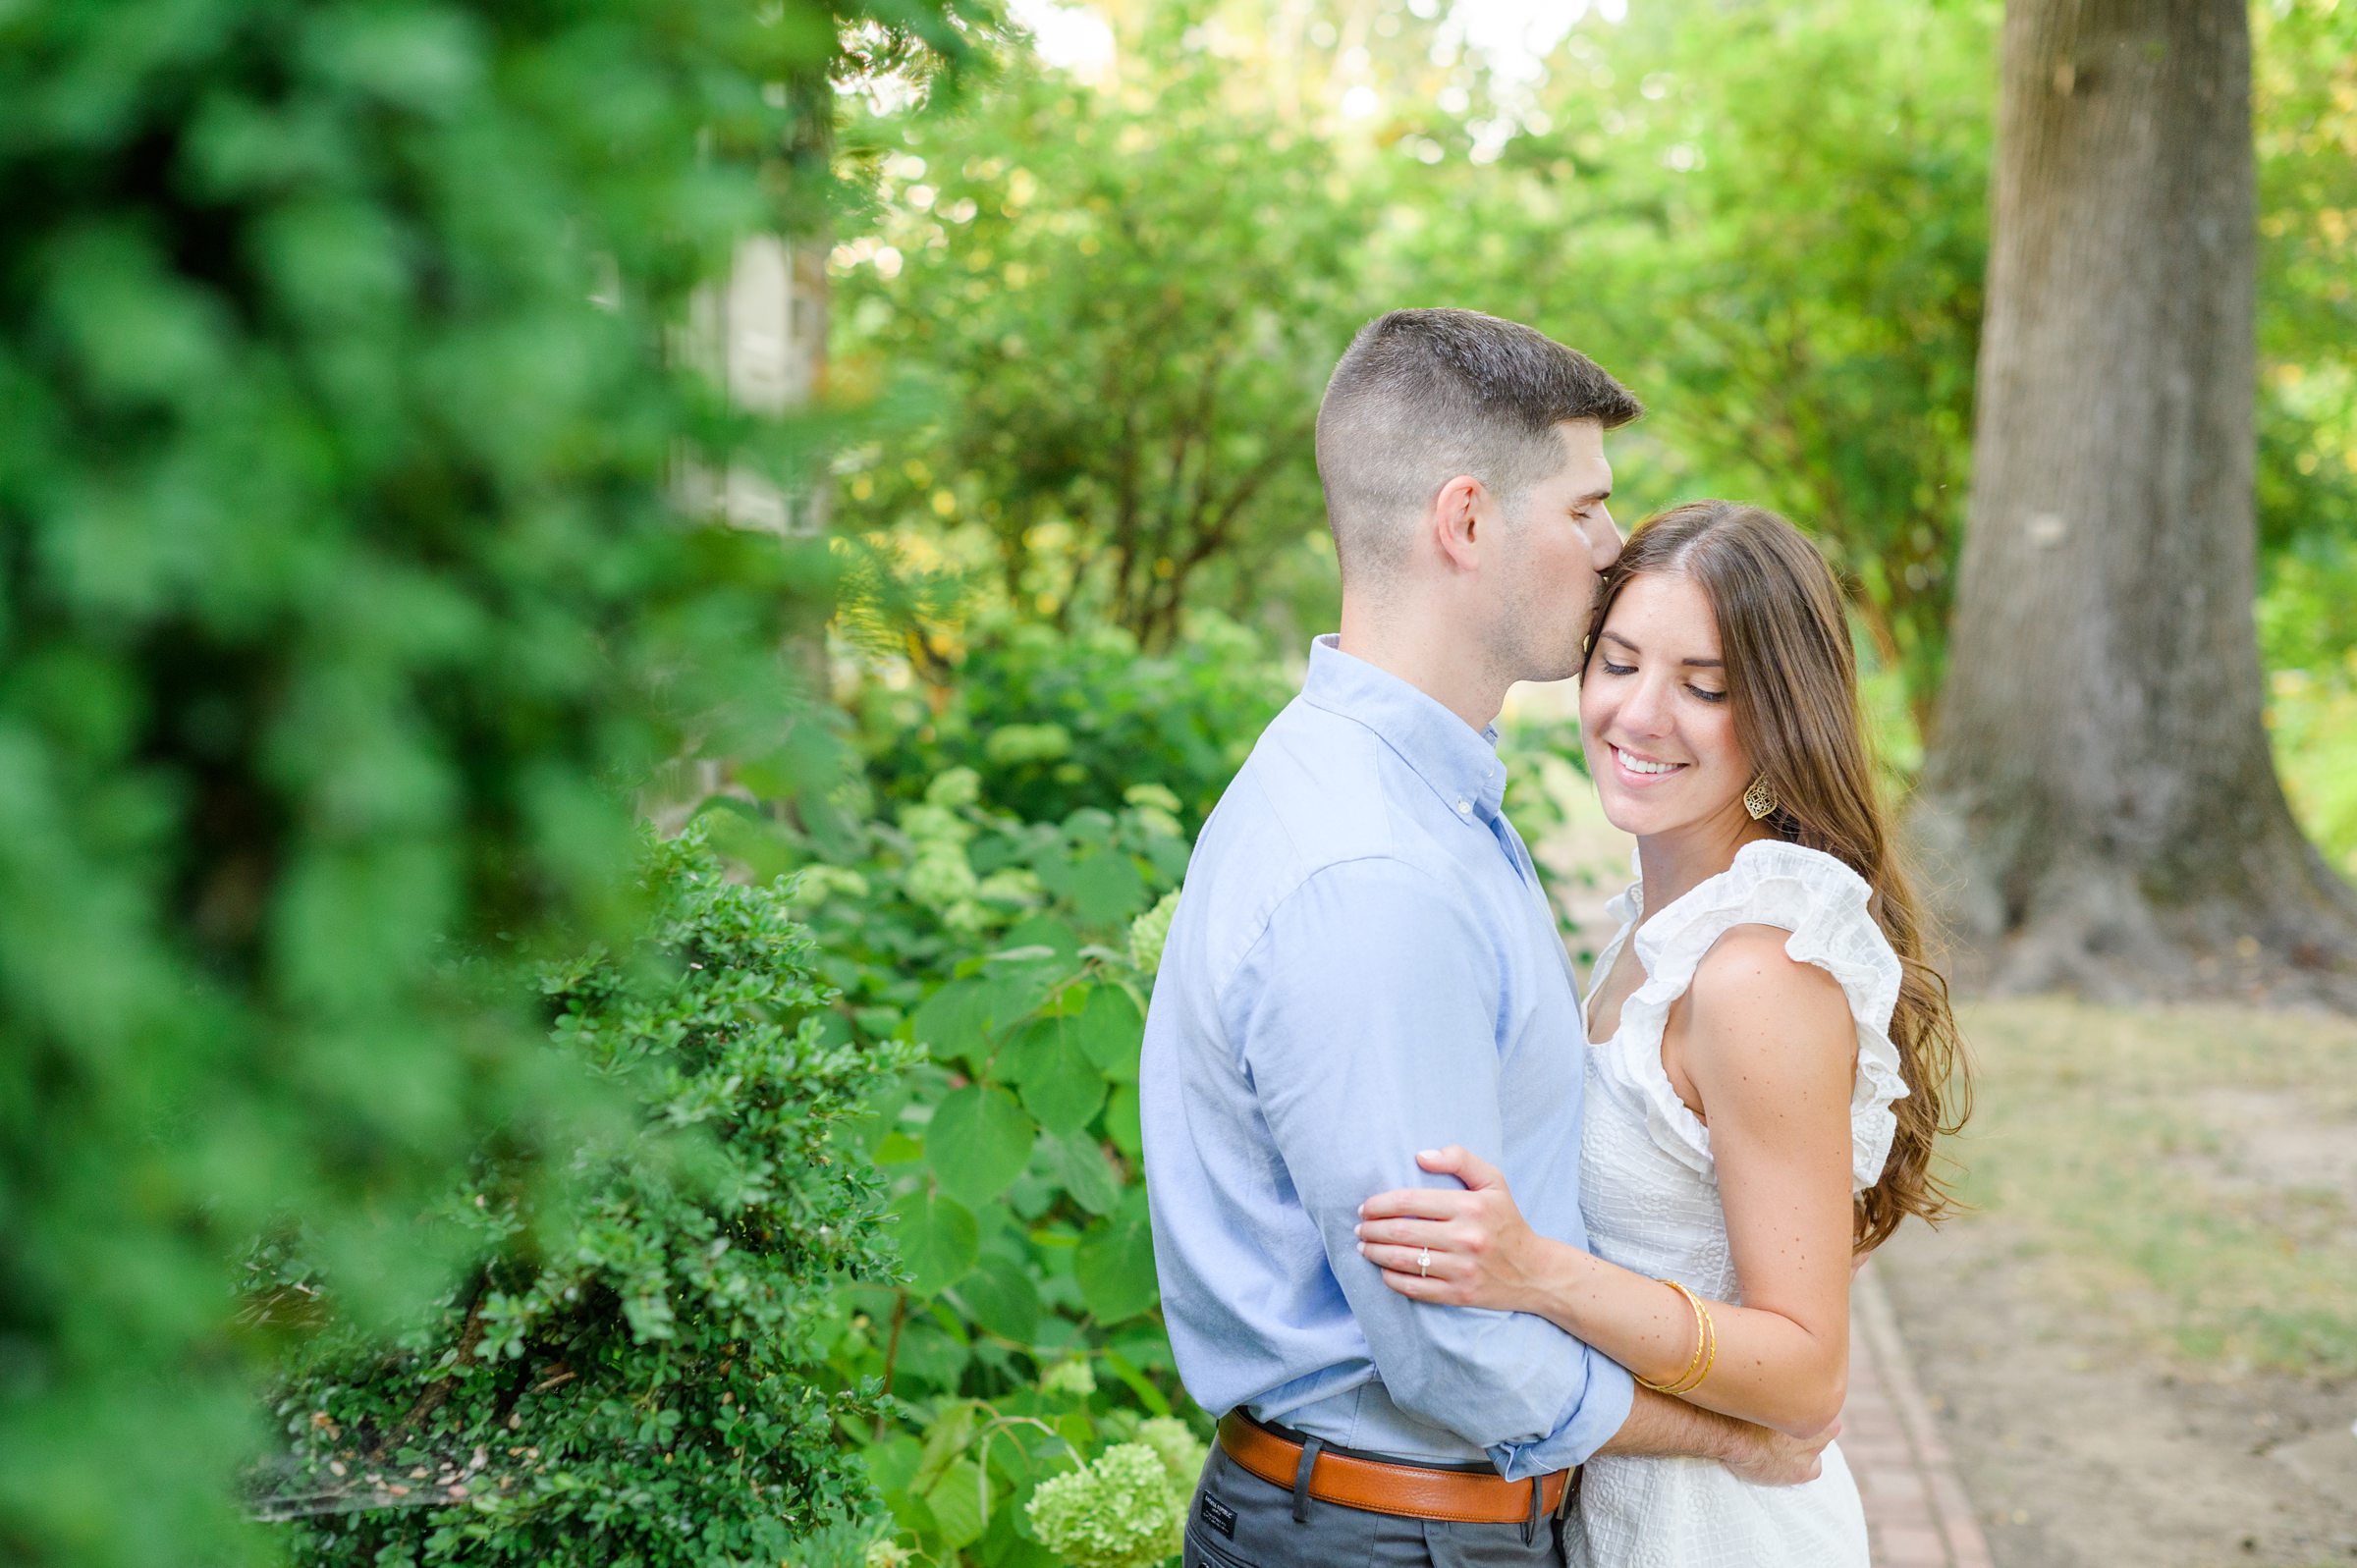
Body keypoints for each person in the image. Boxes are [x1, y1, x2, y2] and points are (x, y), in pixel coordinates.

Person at [1140, 313, 1834, 1568]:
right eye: (1585, 509)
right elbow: (1449, 1341)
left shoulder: (1420, 805)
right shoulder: (1376, 872)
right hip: (1391, 1538)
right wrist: (1730, 1442)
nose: (1615, 548)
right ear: (1467, 522)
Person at [1355, 500, 1971, 1566]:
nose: (1641, 714)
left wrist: (1535, 1272)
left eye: (1705, 687)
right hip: (1612, 1508)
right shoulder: (1653, 933)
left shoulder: (1756, 972)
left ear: (1780, 715)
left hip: (1719, 1528)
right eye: (1619, 661)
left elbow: (1807, 1369)